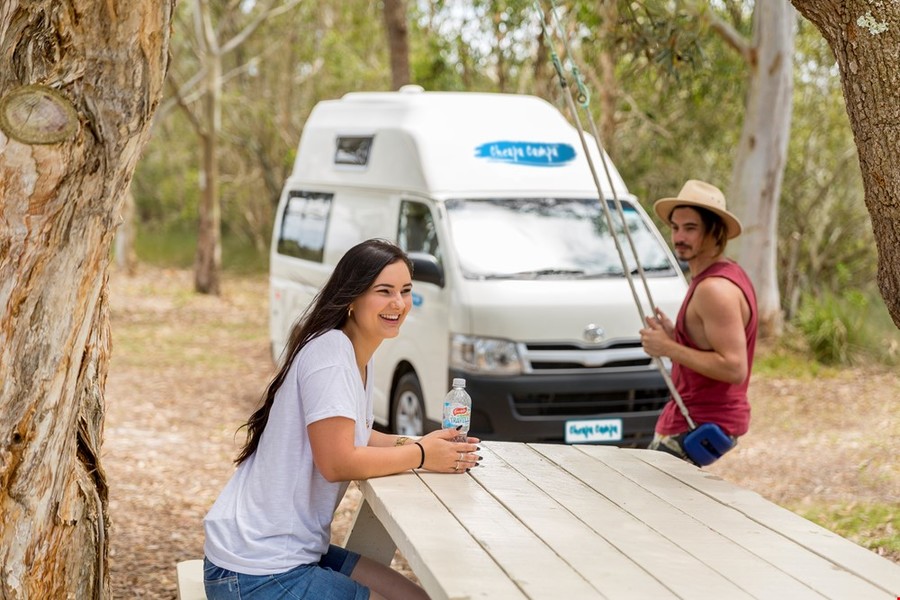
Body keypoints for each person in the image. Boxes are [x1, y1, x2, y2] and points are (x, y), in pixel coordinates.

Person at [203, 239, 481, 600]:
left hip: (288, 552)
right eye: (384, 291)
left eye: (405, 291)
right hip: (255, 569)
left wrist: (424, 444)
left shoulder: (355, 355)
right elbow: (337, 462)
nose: (398, 303)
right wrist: (423, 456)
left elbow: (358, 436)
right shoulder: (331, 354)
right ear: (352, 296)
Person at [639, 180, 758, 464]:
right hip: (694, 417)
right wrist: (679, 334)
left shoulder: (714, 289)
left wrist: (668, 347)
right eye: (675, 228)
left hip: (698, 421)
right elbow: (710, 342)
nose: (679, 237)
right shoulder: (721, 275)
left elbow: (734, 367)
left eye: (690, 228)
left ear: (714, 232)